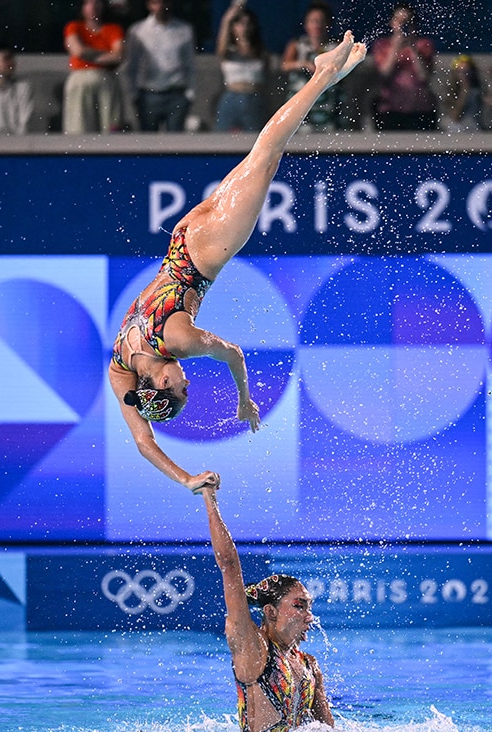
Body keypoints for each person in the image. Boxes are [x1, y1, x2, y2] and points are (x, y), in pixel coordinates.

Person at [108, 32, 366, 493]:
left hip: (207, 253)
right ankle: (330, 75)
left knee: (267, 156)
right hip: (183, 238)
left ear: (162, 383)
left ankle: (324, 73)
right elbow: (143, 441)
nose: (187, 381)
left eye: (182, 388)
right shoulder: (120, 365)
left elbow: (234, 354)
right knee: (258, 157)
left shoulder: (180, 342)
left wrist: (245, 401)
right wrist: (185, 477)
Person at [202, 486, 334, 732]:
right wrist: (210, 499)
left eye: (309, 607)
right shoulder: (253, 649)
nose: (309, 616)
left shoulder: (310, 666)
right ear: (271, 612)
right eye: (298, 606)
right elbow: (229, 566)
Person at [125, 0, 196, 132]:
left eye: (164, 2)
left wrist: (190, 93)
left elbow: (189, 63)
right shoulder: (138, 30)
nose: (160, 7)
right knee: (148, 145)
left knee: (176, 145)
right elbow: (132, 65)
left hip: (177, 94)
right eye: (156, 3)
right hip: (148, 95)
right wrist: (133, 93)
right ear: (149, 5)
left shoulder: (184, 29)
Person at [370, 3, 439, 131]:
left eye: (407, 21)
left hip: (420, 108)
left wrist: (413, 48)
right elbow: (383, 75)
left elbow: (424, 77)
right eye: (399, 21)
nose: (403, 25)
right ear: (392, 23)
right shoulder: (382, 45)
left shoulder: (424, 45)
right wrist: (396, 48)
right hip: (390, 108)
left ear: (414, 24)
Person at [63, 0, 126, 134]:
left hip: (106, 79)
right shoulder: (74, 27)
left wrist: (89, 55)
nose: (93, 7)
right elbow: (78, 51)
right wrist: (107, 55)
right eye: (88, 3)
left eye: (97, 3)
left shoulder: (113, 29)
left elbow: (119, 56)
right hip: (80, 79)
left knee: (110, 127)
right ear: (82, 7)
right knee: (79, 127)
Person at [280, 1, 343, 132]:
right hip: (302, 102)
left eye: (321, 21)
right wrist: (302, 64)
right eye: (313, 21)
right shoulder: (297, 44)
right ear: (306, 24)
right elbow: (285, 65)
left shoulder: (336, 46)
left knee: (331, 140)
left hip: (329, 103)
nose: (317, 25)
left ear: (328, 24)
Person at [214, 1, 267, 132]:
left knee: (255, 137)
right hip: (232, 96)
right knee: (224, 137)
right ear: (233, 27)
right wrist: (235, 8)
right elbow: (224, 29)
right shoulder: (227, 50)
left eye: (248, 23)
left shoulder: (260, 52)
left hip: (254, 97)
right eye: (240, 24)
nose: (245, 27)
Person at [443, 54, 485, 133]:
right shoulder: (450, 92)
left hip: (474, 130)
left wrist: (491, 80)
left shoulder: (476, 91)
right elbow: (455, 117)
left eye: (467, 71)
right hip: (456, 131)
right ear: (455, 73)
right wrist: (464, 91)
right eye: (460, 72)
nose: (464, 75)